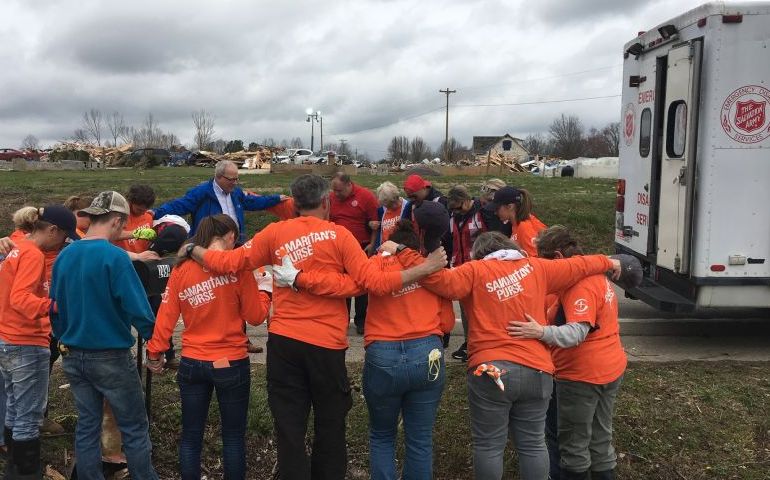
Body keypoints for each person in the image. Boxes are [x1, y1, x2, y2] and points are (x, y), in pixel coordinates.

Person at [184, 174, 445, 480]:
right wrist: (424, 268)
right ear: (325, 202)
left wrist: (192, 250)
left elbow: (229, 262)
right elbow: (372, 282)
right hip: (326, 346)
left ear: (293, 203)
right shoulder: (341, 236)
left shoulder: (273, 233)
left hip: (285, 343)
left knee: (289, 426)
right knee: (331, 424)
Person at [408, 231, 622, 480]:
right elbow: (578, 265)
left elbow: (435, 278)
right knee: (533, 443)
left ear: (479, 255)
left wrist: (404, 254)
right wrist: (609, 262)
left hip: (491, 370)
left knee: (489, 445)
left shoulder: (473, 271)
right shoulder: (536, 267)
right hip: (537, 369)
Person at [280, 218, 453, 480]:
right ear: (414, 248)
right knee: (420, 439)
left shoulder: (373, 266)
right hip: (426, 352)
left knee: (382, 435)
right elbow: (448, 322)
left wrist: (299, 278)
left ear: (389, 245)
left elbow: (342, 285)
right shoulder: (428, 269)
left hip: (384, 353)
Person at [146, 215, 272, 479]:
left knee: (191, 436)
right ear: (228, 236)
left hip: (193, 362)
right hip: (231, 362)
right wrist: (265, 291)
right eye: (234, 238)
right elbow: (256, 316)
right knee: (234, 437)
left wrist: (155, 352)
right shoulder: (239, 270)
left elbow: (166, 316)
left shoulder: (181, 269)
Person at [50, 191, 159, 480]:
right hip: (110, 355)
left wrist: (64, 337)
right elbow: (138, 308)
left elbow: (54, 308)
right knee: (134, 427)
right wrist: (157, 346)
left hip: (72, 354)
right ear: (116, 220)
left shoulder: (64, 255)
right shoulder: (115, 257)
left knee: (87, 425)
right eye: (122, 226)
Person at [508, 226, 631, 480]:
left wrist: (539, 331)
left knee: (574, 444)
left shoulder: (579, 285)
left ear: (558, 257)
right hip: (609, 367)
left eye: (546, 262)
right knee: (600, 437)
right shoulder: (596, 274)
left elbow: (577, 333)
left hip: (582, 376)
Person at [0, 204, 78, 478]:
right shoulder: (33, 254)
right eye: (64, 237)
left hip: (8, 338)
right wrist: (55, 307)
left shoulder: (18, 247)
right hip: (26, 341)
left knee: (14, 409)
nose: (63, 244)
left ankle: (12, 470)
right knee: (29, 419)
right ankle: (25, 473)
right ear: (53, 230)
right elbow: (20, 299)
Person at [152, 160, 284, 243]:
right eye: (231, 179)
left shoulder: (236, 192)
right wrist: (155, 213)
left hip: (236, 243)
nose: (234, 183)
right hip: (209, 246)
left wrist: (276, 199)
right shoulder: (202, 192)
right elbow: (180, 205)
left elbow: (252, 202)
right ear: (218, 177)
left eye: (236, 179)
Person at [329, 172, 379, 335]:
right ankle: (342, 320)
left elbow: (375, 224)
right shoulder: (331, 198)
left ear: (349, 185)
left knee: (361, 285)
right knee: (342, 285)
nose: (336, 194)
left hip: (361, 248)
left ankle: (361, 320)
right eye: (334, 191)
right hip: (338, 249)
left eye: (340, 191)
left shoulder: (366, 197)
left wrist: (372, 244)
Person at [446, 185, 488, 362]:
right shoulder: (454, 217)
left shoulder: (483, 214)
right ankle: (468, 342)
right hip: (461, 270)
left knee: (481, 308)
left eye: (457, 207)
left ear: (465, 201)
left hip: (480, 269)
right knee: (465, 308)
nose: (455, 211)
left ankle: (482, 344)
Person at [492, 186, 547, 257]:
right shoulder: (516, 224)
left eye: (497, 209)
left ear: (510, 206)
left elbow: (536, 260)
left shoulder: (524, 227)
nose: (495, 213)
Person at [115, 184, 156, 254]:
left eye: (145, 210)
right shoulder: (119, 216)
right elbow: (111, 234)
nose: (143, 213)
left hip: (143, 259)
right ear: (130, 202)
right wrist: (138, 233)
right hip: (124, 259)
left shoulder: (148, 217)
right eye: (139, 210)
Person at [371, 181, 409, 250]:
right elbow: (378, 229)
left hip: (399, 249)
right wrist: (371, 224)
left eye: (390, 205)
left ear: (395, 198)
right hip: (383, 249)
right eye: (386, 206)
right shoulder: (382, 210)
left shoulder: (407, 207)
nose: (388, 208)